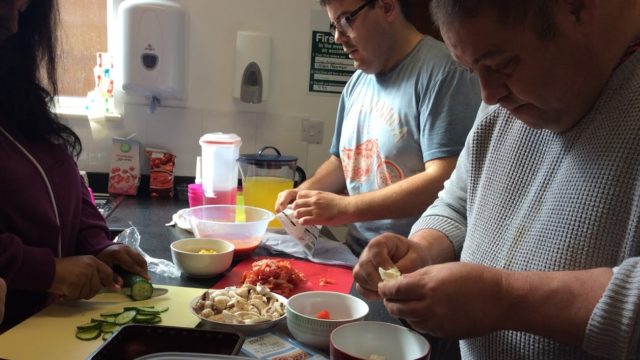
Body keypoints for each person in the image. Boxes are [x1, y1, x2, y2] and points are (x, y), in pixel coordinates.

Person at [353, 0, 640, 358]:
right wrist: (423, 249)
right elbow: (459, 204)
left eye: (503, 64)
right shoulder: (505, 98)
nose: (488, 96)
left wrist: (508, 298)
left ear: (579, 9)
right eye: (473, 71)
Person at [275, 0, 480, 256]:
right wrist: (304, 193)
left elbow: (444, 179)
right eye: (334, 24)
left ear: (386, 7)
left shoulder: (445, 74)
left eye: (347, 20)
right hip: (356, 256)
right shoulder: (357, 83)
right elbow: (341, 163)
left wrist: (345, 208)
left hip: (412, 263)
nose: (338, 37)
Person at [0, 0, 148, 332]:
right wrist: (49, 270)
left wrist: (99, 244)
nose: (22, 7)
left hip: (49, 322)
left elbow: (67, 181)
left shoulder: (15, 92)